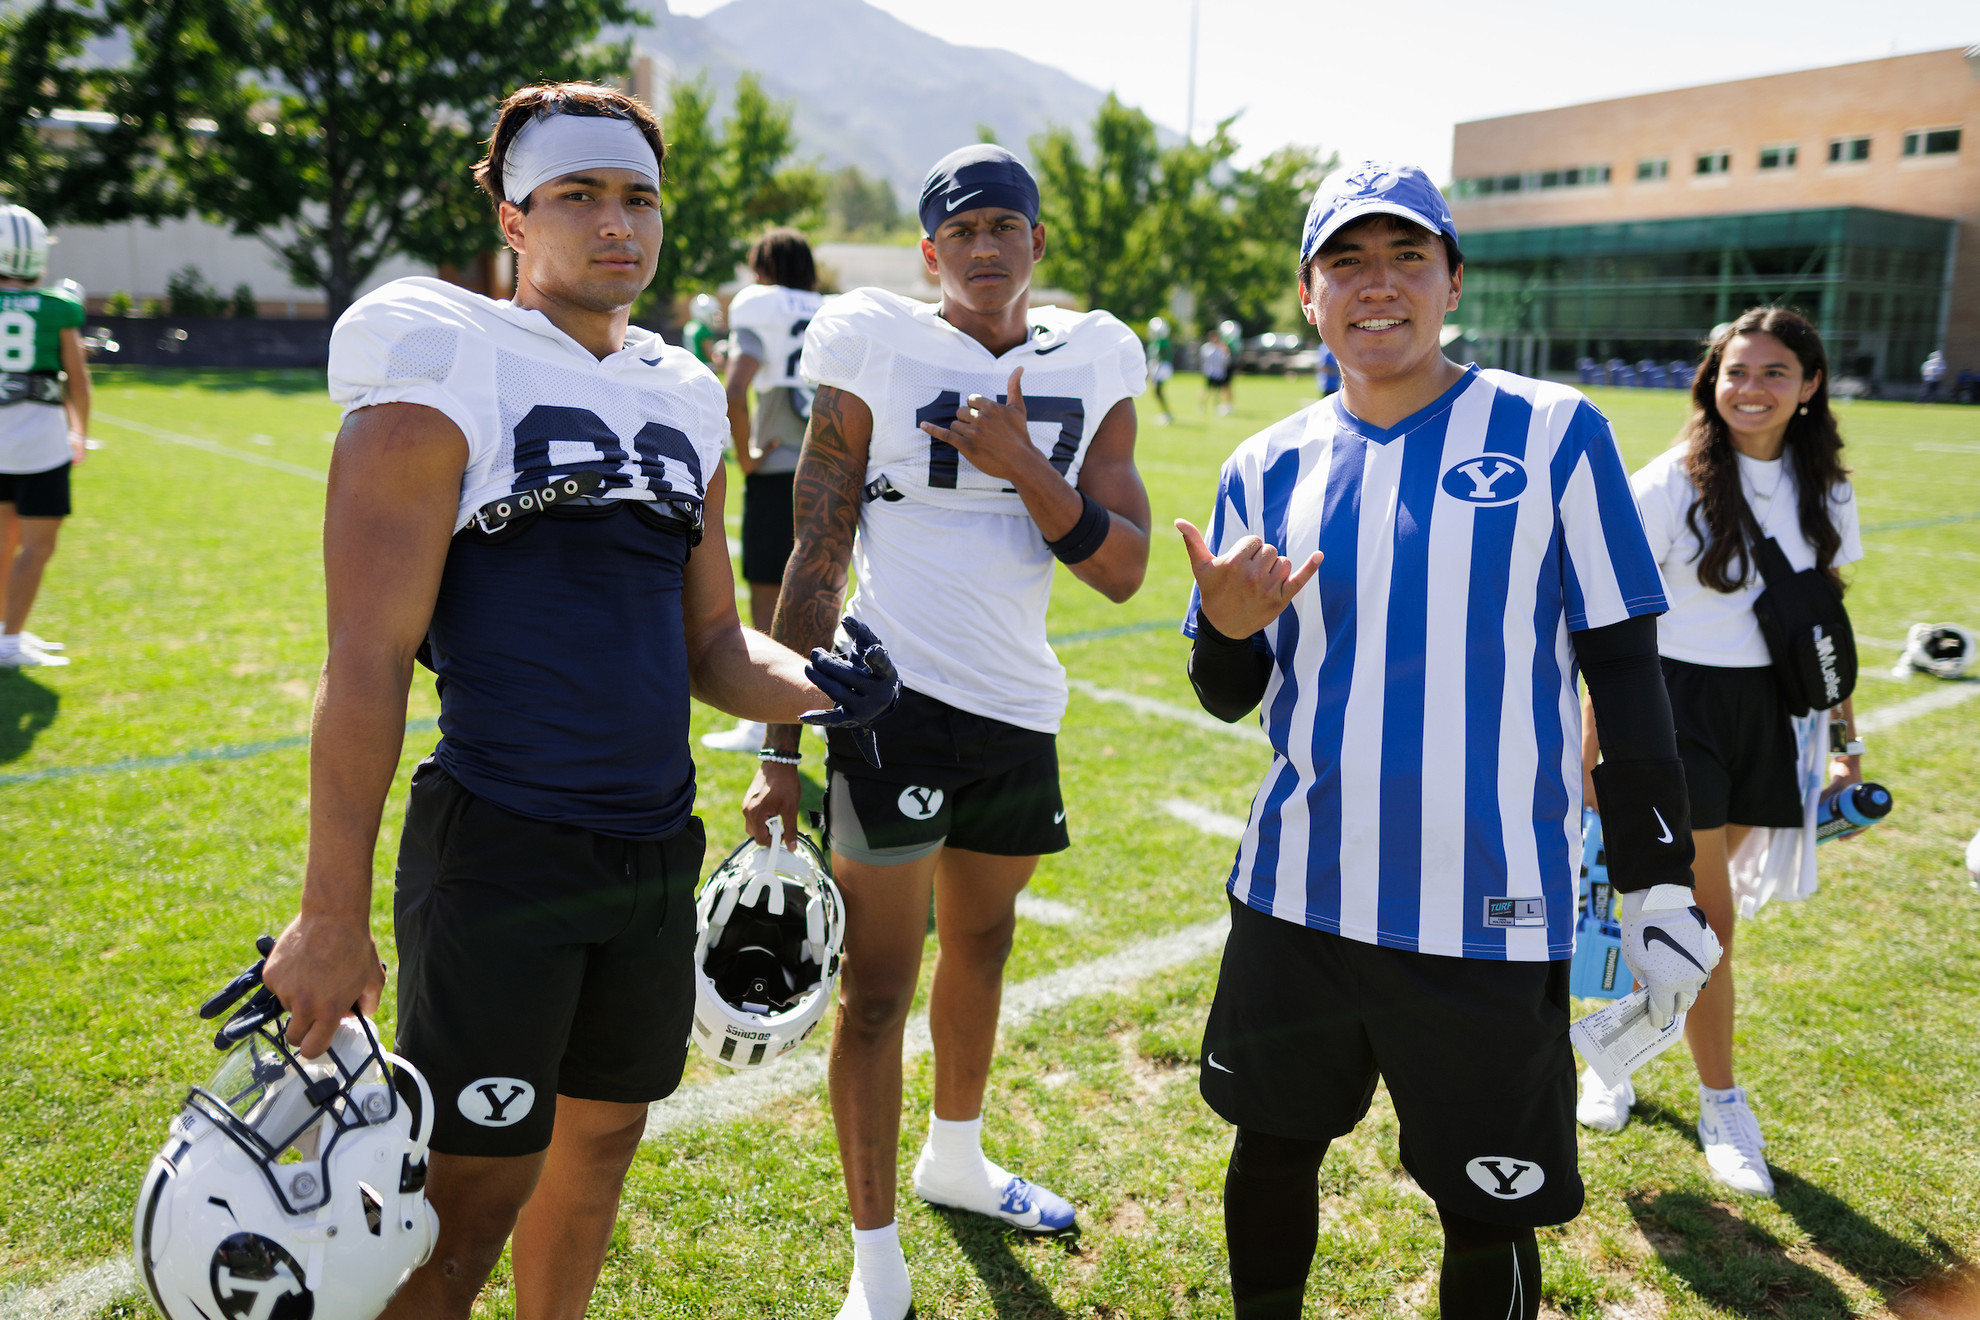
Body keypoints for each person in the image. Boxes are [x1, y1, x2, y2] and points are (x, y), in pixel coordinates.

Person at [258, 82, 897, 1320]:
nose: (618, 224)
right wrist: (328, 911)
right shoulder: (441, 357)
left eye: (640, 198)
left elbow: (713, 641)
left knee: (599, 1148)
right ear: (511, 215)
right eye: (581, 197)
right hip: (505, 844)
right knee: (464, 1202)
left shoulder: (679, 389)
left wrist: (818, 691)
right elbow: (367, 659)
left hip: (653, 850)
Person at [1175, 161, 1720, 1320]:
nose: (1378, 287)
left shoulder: (1554, 431)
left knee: (1485, 1203)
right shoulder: (1262, 466)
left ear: (1453, 281)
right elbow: (1227, 692)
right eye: (1348, 262)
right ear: (1309, 296)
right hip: (1298, 896)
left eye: (1407, 257)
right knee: (1273, 1153)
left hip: (1488, 908)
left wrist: (1657, 874)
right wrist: (1226, 632)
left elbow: (1623, 666)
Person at [742, 143, 1150, 1320]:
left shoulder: (1098, 353)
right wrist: (782, 745)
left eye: (1004, 227)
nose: (984, 247)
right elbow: (816, 551)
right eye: (960, 230)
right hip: (890, 706)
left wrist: (1024, 462)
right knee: (877, 991)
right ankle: (876, 1262)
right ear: (929, 252)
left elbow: (1121, 571)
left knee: (984, 946)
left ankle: (956, 1157)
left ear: (1036, 245)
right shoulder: (874, 336)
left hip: (1021, 707)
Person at [1577, 307, 1862, 1198]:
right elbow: (1606, 607)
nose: (1752, 388)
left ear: (1809, 386)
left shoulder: (1828, 489)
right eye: (1736, 371)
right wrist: (1595, 736)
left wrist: (1847, 738)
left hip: (1766, 714)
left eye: (1775, 372)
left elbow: (1826, 624)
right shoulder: (1669, 481)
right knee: (1711, 922)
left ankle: (1611, 1052)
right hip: (1669, 706)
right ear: (1711, 379)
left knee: (1688, 920)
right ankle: (1720, 1103)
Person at [703, 228, 828, 753]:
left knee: (765, 591)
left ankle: (764, 719)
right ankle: (823, 702)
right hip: (828, 467)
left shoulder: (761, 310)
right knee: (819, 589)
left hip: (778, 468)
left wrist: (748, 454)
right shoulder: (826, 310)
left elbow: (735, 388)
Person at [0, 204, 88, 669]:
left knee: (3, 538)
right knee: (37, 545)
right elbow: (77, 377)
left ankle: (3, 632)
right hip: (38, 443)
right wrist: (81, 431)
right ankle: (10, 641)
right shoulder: (58, 306)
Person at [682, 290, 727, 372]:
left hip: (691, 367)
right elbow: (711, 356)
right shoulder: (703, 331)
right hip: (703, 368)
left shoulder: (690, 326)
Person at [1146, 314, 1175, 424]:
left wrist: (1153, 372)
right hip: (1160, 367)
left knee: (1158, 391)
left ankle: (1166, 414)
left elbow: (1158, 357)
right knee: (1157, 392)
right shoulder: (1158, 341)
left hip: (1161, 367)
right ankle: (1165, 413)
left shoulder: (1161, 342)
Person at [1200, 333, 1233, 416]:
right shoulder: (1207, 348)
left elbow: (1226, 360)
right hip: (1211, 372)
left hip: (1219, 373)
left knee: (1218, 391)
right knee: (1207, 390)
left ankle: (1217, 406)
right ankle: (1202, 405)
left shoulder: (1221, 348)